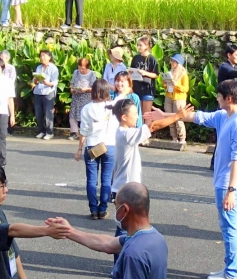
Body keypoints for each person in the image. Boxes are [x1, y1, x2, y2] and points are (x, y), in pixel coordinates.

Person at [148, 79, 237, 279]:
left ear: (229, 98)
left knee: (229, 227)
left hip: (229, 183)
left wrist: (231, 190)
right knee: (227, 226)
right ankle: (230, 268)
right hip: (225, 181)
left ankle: (233, 272)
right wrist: (166, 116)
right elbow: (196, 117)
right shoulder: (224, 115)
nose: (217, 99)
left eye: (219, 96)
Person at [111, 99, 193, 213]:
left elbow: (149, 126)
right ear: (124, 117)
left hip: (122, 187)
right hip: (127, 189)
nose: (137, 117)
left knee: (125, 222)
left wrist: (161, 117)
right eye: (135, 113)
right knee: (128, 222)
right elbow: (152, 127)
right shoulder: (127, 134)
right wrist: (177, 116)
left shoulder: (123, 132)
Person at [76, 79, 118, 219]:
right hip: (109, 145)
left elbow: (84, 131)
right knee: (106, 180)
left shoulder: (87, 108)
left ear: (93, 91)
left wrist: (79, 148)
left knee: (91, 180)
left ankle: (93, 210)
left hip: (92, 146)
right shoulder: (112, 106)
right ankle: (103, 209)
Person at [130, 36, 159, 126]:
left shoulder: (152, 59)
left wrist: (145, 73)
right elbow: (131, 71)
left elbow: (156, 75)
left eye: (140, 45)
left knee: (146, 114)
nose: (138, 47)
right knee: (138, 113)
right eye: (138, 45)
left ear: (147, 46)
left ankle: (147, 132)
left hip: (147, 89)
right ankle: (139, 131)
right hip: (137, 88)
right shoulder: (135, 58)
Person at [32, 50, 59, 140]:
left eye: (44, 56)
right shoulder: (38, 67)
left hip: (48, 92)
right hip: (38, 92)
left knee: (48, 113)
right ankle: (41, 131)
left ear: (49, 57)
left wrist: (48, 83)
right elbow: (35, 81)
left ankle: (49, 132)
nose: (42, 57)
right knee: (38, 113)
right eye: (41, 56)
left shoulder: (53, 68)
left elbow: (55, 82)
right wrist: (35, 80)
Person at [162, 54, 189, 143]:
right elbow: (166, 86)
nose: (172, 63)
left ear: (178, 63)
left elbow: (186, 89)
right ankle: (174, 138)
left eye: (174, 61)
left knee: (178, 119)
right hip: (169, 96)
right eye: (171, 61)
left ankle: (182, 139)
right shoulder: (170, 72)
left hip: (179, 99)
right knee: (170, 118)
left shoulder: (183, 74)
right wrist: (165, 82)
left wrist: (176, 85)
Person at [69, 58, 97, 141]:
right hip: (76, 97)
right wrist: (72, 89)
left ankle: (85, 133)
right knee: (73, 115)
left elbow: (94, 87)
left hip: (86, 98)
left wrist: (86, 89)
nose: (81, 70)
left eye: (83, 69)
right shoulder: (76, 72)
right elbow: (72, 84)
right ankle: (74, 132)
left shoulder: (92, 74)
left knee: (86, 115)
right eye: (79, 68)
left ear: (87, 67)